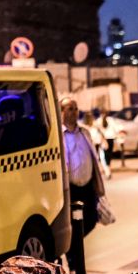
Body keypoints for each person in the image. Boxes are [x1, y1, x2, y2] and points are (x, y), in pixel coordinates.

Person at [60, 97, 106, 241]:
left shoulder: (84, 133)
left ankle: (74, 246)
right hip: (71, 189)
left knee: (91, 220)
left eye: (75, 108)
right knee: (73, 224)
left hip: (87, 187)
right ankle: (74, 255)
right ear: (61, 111)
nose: (74, 112)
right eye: (70, 108)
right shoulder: (58, 135)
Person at [94, 108, 119, 172]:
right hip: (111, 138)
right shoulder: (110, 120)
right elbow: (116, 129)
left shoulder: (98, 121)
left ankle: (107, 169)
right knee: (109, 154)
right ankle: (108, 167)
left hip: (103, 140)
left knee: (104, 155)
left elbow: (96, 131)